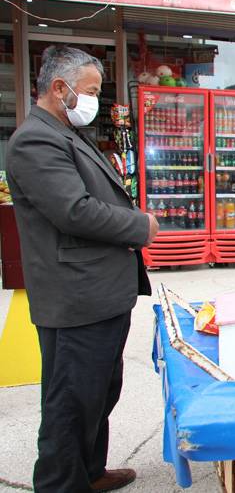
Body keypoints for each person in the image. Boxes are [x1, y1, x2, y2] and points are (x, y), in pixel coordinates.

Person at [6, 45, 157, 493]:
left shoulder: (63, 133)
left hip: (100, 294)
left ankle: (90, 471)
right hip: (76, 299)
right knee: (70, 404)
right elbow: (74, 210)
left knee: (98, 394)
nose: (94, 101)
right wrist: (139, 225)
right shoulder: (36, 139)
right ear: (59, 88)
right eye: (89, 91)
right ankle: (58, 483)